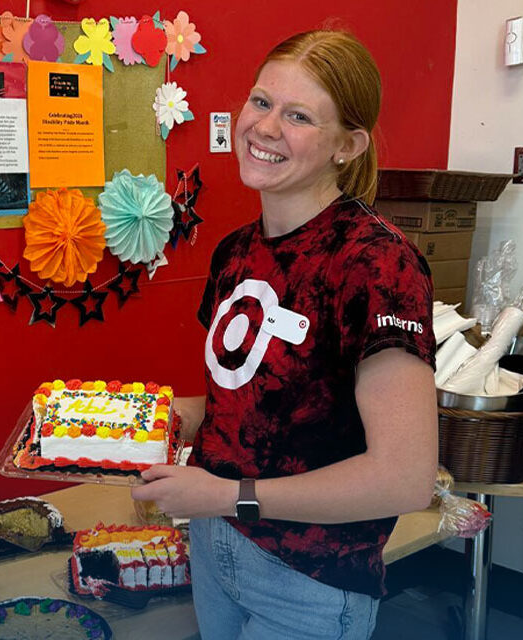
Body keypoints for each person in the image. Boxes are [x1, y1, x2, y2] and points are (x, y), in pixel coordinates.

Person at [130, 29, 439, 640]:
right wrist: (155, 420)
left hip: (310, 580)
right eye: (261, 101)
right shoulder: (235, 253)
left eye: (298, 115)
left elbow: (403, 478)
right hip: (216, 551)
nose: (265, 128)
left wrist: (225, 495)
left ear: (347, 145)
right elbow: (244, 405)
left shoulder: (375, 265)